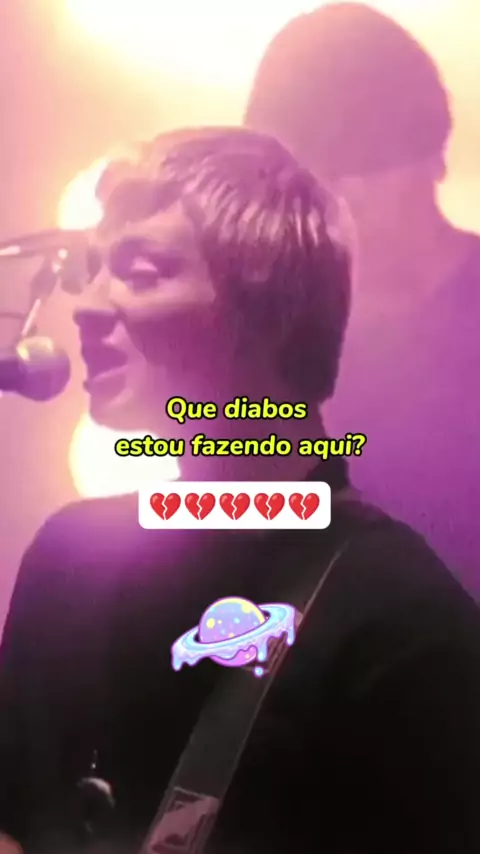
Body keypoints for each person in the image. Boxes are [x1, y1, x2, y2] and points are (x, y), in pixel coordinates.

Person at [1, 126, 480, 854]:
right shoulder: (67, 556)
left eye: (142, 271)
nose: (87, 305)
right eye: (93, 271)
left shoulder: (400, 616)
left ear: (270, 311)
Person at [245, 2, 480, 597]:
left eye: (370, 159)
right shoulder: (276, 340)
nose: (346, 193)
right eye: (320, 170)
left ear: (432, 150)